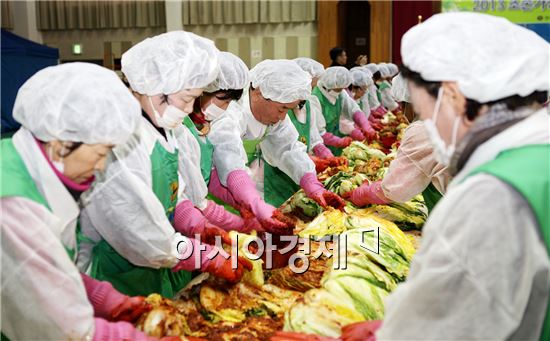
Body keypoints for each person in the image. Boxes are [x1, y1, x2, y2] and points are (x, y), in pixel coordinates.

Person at [276, 11, 550, 340]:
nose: (424, 124)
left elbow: (464, 318)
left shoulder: (495, 192)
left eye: (424, 110)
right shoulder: (533, 154)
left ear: (453, 97)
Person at [0, 63, 179, 340]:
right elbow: (63, 329)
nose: (101, 166)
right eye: (100, 152)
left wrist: (99, 296)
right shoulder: (12, 203)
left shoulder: (29, 164)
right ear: (61, 141)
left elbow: (47, 269)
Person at [79, 31, 252, 299]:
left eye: (194, 98)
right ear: (153, 88)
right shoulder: (121, 144)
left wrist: (197, 223)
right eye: (185, 99)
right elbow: (140, 236)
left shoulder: (163, 129)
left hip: (157, 266)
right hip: (118, 273)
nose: (189, 108)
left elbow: (175, 192)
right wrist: (205, 256)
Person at [207, 59, 346, 217]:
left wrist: (312, 184)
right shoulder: (230, 114)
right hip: (213, 198)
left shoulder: (272, 111)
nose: (283, 117)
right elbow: (229, 161)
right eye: (283, 108)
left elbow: (288, 149)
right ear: (259, 93)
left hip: (241, 191)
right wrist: (254, 201)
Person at [312, 66, 376, 155]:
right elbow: (319, 132)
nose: (340, 91)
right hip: (320, 146)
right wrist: (339, 142)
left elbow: (353, 109)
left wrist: (366, 127)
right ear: (328, 86)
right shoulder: (315, 98)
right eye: (338, 89)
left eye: (342, 89)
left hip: (335, 139)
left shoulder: (340, 93)